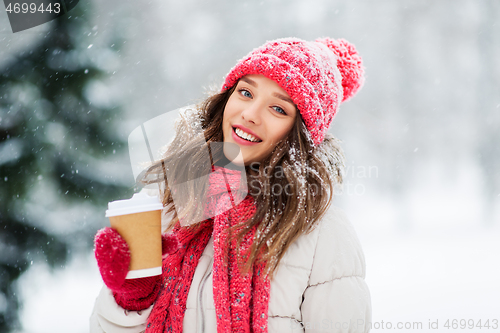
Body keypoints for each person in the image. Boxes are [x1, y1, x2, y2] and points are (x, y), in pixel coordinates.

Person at [90, 37, 371, 332]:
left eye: (278, 109)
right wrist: (131, 298)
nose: (250, 114)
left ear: (300, 133)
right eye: (246, 92)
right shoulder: (173, 201)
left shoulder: (323, 233)